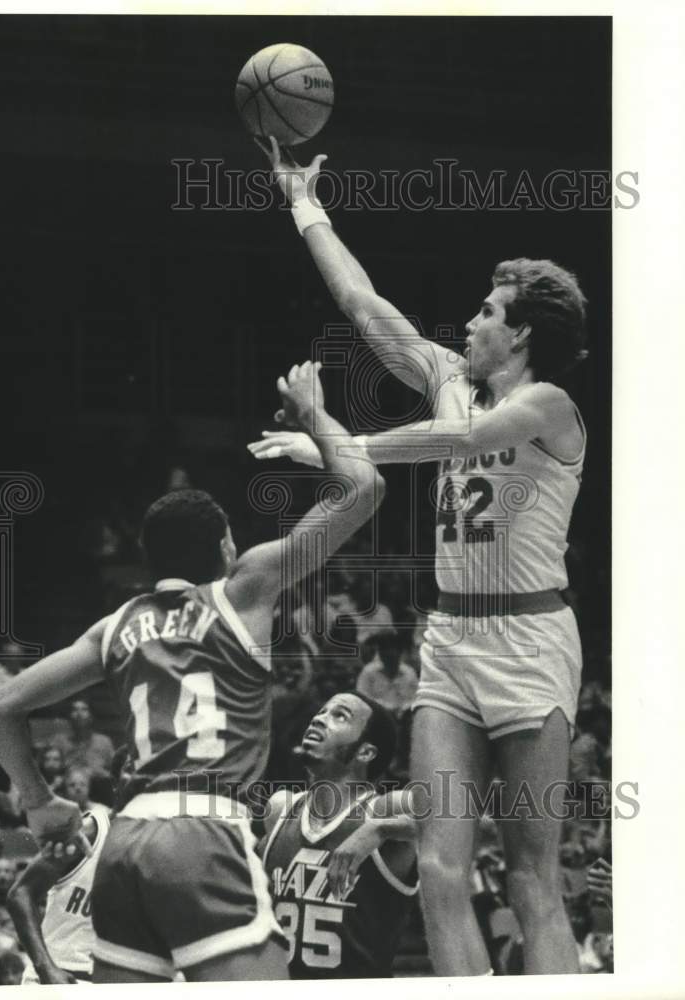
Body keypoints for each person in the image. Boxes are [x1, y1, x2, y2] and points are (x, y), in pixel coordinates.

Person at [250, 138, 589, 975]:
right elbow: (363, 304)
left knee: (527, 879)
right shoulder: (446, 374)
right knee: (440, 866)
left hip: (530, 646)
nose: (468, 323)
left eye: (485, 313)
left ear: (519, 337)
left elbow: (466, 435)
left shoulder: (548, 405)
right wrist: (303, 204)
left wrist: (331, 440)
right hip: (450, 643)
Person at [0, 360, 385, 983]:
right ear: (226, 546)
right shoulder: (242, 589)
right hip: (205, 828)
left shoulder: (113, 627)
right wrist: (314, 416)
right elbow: (365, 489)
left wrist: (38, 801)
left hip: (125, 843)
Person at [262, 691, 419, 978]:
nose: (319, 719)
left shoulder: (384, 811)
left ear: (366, 752)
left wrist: (381, 829)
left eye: (339, 716)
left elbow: (463, 820)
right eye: (321, 711)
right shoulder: (279, 808)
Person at [7, 804, 146, 984]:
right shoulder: (89, 832)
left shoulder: (157, 846)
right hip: (61, 975)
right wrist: (46, 968)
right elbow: (21, 894)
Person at [356, 631, 418, 717]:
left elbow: (416, 698)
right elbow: (362, 697)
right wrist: (385, 709)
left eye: (393, 651)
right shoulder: (368, 672)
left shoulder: (409, 672)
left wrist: (403, 709)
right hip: (377, 716)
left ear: (400, 652)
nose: (389, 655)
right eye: (385, 651)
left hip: (404, 717)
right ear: (381, 654)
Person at [53, 698, 116, 776]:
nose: (79, 713)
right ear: (69, 716)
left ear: (91, 716)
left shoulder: (104, 742)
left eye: (84, 709)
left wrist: (98, 771)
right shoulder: (60, 742)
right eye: (75, 709)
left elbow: (114, 771)